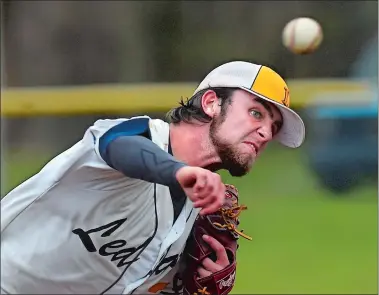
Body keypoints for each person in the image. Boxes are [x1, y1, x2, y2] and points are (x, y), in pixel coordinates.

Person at [0, 61, 305, 294]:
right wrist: (179, 172)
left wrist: (195, 285)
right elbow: (117, 146)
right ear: (212, 103)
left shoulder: (193, 222)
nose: (266, 132)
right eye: (256, 113)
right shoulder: (137, 139)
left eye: (274, 126)